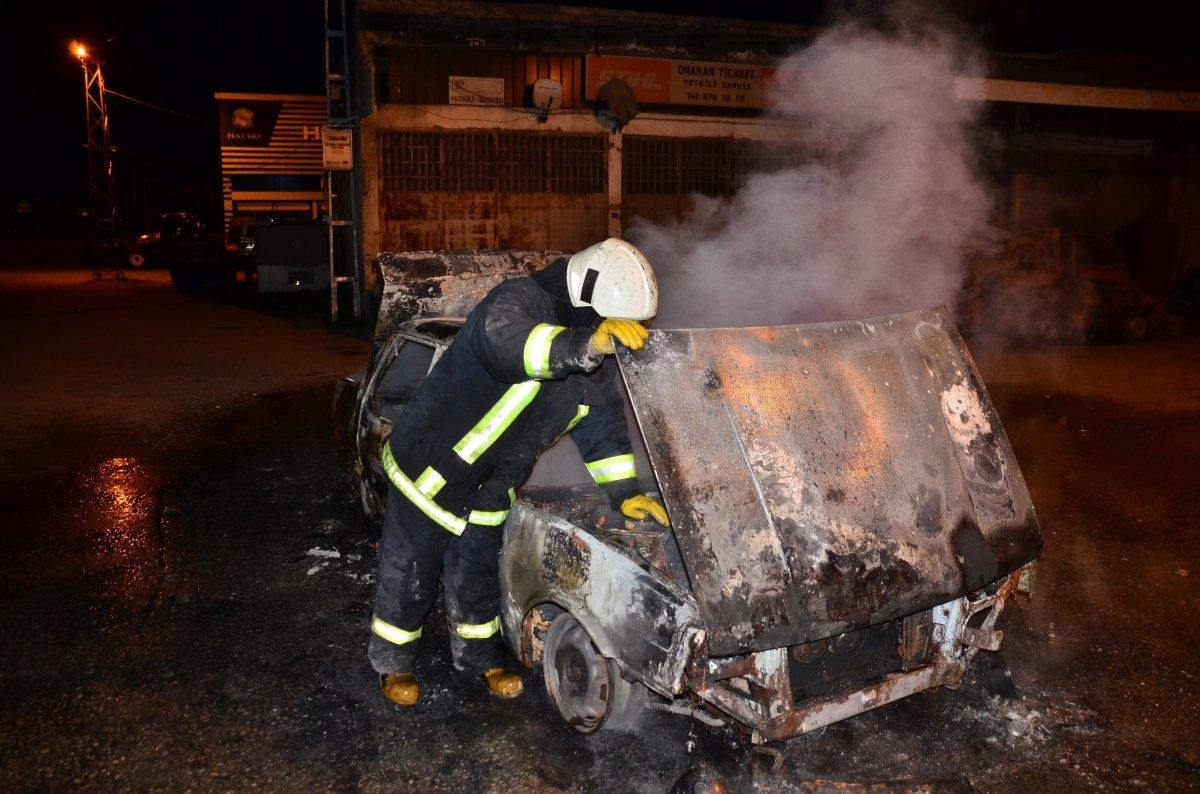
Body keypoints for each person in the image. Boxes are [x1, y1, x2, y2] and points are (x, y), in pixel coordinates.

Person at [368, 238, 671, 706]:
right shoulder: (520, 300)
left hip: (493, 481)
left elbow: (603, 421)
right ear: (588, 289)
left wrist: (623, 490)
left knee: (477, 572)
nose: (615, 332)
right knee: (409, 568)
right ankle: (394, 663)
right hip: (433, 466)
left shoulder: (592, 350)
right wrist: (585, 344)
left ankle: (478, 657)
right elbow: (506, 346)